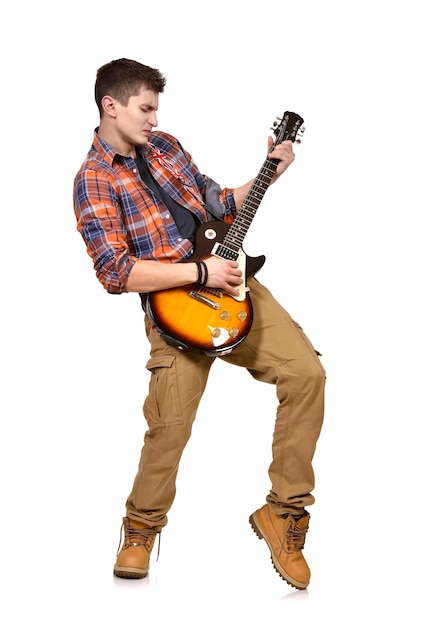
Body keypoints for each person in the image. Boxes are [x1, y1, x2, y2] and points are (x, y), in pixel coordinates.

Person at [73, 58, 325, 590]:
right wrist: (199, 272)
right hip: (175, 313)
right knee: (169, 429)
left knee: (308, 374)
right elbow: (115, 271)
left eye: (157, 109)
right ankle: (140, 529)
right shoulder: (92, 180)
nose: (153, 119)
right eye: (145, 108)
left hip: (233, 288)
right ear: (109, 106)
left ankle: (284, 512)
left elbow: (216, 202)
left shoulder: (165, 147)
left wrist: (266, 175)